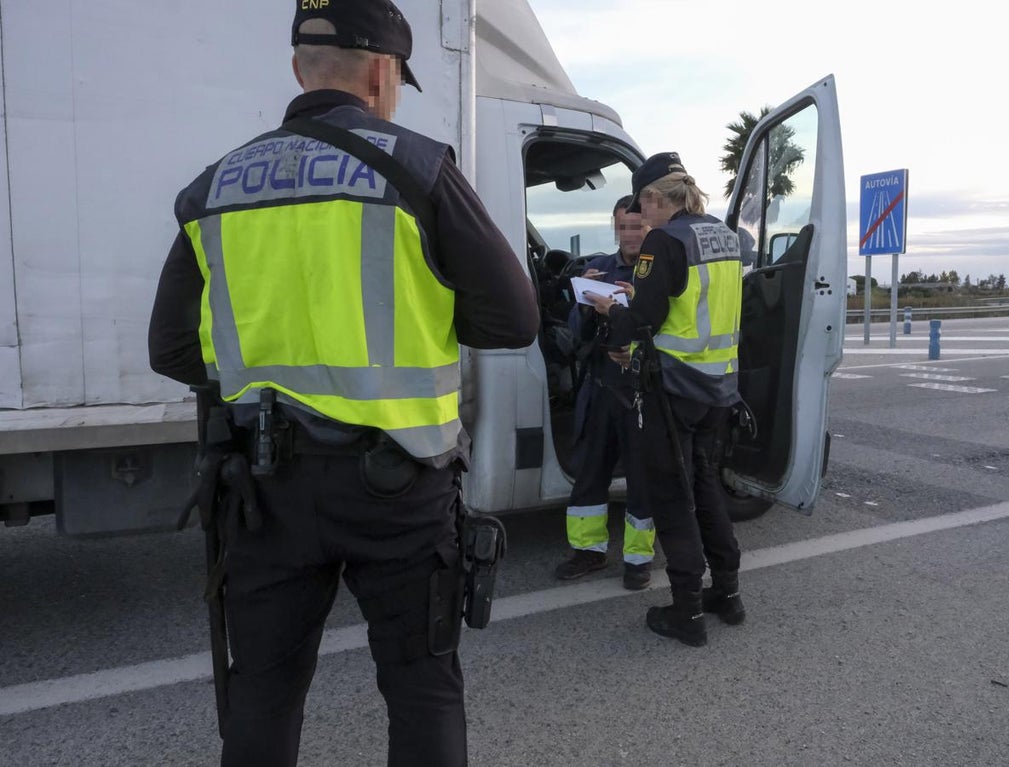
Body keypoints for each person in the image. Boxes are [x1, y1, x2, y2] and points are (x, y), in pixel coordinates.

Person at [147, 2, 538, 765]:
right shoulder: (416, 168)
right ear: (383, 72)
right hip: (397, 486)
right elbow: (515, 316)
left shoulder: (214, 188)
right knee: (422, 689)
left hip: (263, 487)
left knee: (262, 692)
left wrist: (258, 366)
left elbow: (170, 346)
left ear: (300, 69)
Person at [584, 153, 744, 648]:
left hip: (672, 389)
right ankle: (729, 595)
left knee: (674, 500)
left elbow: (642, 320)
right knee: (706, 487)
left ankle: (688, 613)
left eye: (642, 206)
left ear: (654, 198)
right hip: (718, 387)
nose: (641, 218)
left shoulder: (664, 240)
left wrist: (610, 306)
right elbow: (690, 300)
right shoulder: (723, 235)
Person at [554, 195, 654, 590]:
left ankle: (638, 560)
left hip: (640, 392)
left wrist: (636, 303)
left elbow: (665, 332)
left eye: (638, 227)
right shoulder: (600, 270)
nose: (630, 235)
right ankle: (587, 552)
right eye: (623, 227)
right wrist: (581, 304)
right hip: (600, 388)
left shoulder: (657, 275)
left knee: (642, 480)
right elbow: (572, 338)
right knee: (589, 473)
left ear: (651, 228)